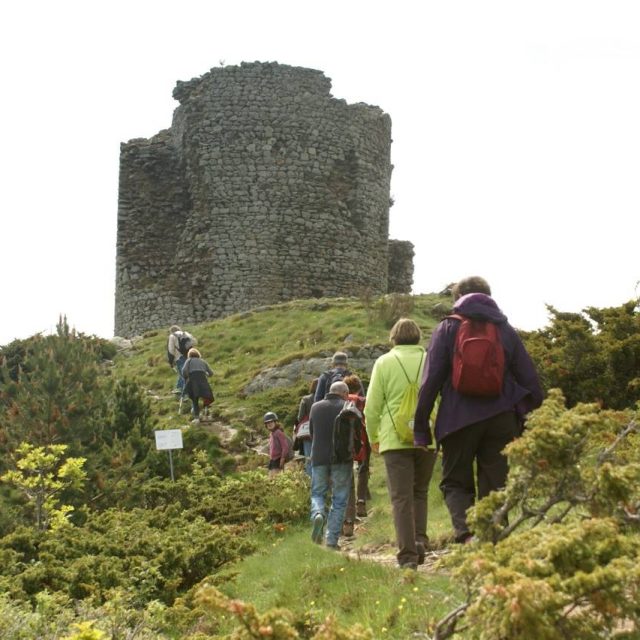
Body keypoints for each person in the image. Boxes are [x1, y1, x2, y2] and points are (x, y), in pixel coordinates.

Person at [413, 276, 543, 544]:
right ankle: (493, 540)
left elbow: (430, 382)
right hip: (501, 418)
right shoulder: (505, 330)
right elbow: (530, 380)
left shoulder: (447, 328)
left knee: (455, 483)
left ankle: (468, 535)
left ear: (458, 297)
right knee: (496, 485)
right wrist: (528, 420)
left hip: (457, 419)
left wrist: (421, 428)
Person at [364, 318, 435, 570]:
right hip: (427, 436)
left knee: (401, 497)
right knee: (420, 491)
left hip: (394, 440)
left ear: (393, 338)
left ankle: (407, 556)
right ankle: (420, 541)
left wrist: (373, 437)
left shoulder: (383, 362)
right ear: (417, 337)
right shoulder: (430, 359)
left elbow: (371, 408)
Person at [309, 380, 352, 549]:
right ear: (344, 394)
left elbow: (312, 433)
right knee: (340, 499)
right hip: (341, 459)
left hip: (319, 458)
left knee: (317, 493)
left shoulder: (315, 407)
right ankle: (332, 541)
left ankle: (318, 513)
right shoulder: (347, 407)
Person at [342, 374, 370, 537]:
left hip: (346, 443)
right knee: (363, 468)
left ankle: (349, 517)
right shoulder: (362, 400)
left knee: (349, 477)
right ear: (359, 387)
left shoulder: (343, 401)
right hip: (363, 439)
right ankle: (361, 502)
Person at [181, 348, 214, 424]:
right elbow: (211, 373)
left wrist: (186, 377)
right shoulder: (203, 361)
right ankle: (205, 412)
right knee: (205, 396)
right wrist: (206, 374)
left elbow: (184, 371)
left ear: (189, 355)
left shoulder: (189, 361)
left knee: (194, 399)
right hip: (203, 380)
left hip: (193, 381)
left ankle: (197, 418)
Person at [294, 378, 318, 477]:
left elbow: (300, 417)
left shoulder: (305, 399)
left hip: (307, 431)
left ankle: (310, 481)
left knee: (308, 457)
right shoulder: (324, 399)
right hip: (321, 432)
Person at [167, 325, 196, 394]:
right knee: (183, 373)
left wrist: (171, 361)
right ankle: (178, 388)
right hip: (188, 356)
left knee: (183, 375)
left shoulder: (172, 336)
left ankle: (184, 394)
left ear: (171, 331)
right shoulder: (186, 334)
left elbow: (171, 350)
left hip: (179, 357)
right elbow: (194, 342)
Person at [264, 412, 290, 477]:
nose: (269, 424)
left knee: (275, 479)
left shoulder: (278, 432)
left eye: (271, 422)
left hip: (278, 459)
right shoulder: (272, 434)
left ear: (275, 422)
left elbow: (285, 447)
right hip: (273, 460)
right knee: (271, 478)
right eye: (267, 423)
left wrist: (282, 458)